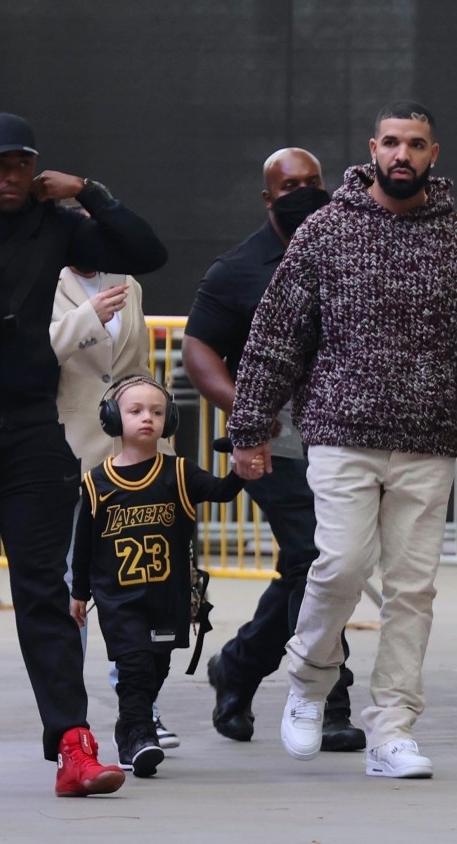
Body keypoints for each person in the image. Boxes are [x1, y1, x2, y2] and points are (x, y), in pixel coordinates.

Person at [227, 101, 457, 779]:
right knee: (339, 567)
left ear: (433, 154)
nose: (402, 155)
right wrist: (250, 427)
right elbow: (277, 335)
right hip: (339, 432)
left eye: (415, 144)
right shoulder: (325, 232)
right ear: (372, 148)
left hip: (429, 441)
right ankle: (308, 680)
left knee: (413, 590)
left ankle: (393, 728)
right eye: (392, 142)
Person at [0, 113, 168, 796]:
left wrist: (88, 191)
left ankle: (74, 744)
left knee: (45, 591)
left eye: (21, 164)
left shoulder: (56, 221)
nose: (10, 177)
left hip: (32, 433)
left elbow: (145, 250)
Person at [182, 147, 365, 752]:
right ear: (268, 197)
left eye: (314, 182)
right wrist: (248, 413)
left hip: (346, 436)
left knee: (311, 566)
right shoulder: (237, 269)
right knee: (321, 557)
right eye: (291, 185)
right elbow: (199, 352)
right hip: (274, 443)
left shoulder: (352, 246)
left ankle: (238, 665)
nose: (305, 192)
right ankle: (330, 700)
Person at [69, 375, 263, 776]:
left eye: (157, 412)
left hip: (166, 596)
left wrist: (241, 467)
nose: (147, 419)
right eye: (135, 411)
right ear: (110, 418)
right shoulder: (96, 483)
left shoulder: (179, 473)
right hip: (118, 599)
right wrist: (78, 593)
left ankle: (128, 730)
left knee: (156, 667)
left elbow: (223, 491)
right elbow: (84, 545)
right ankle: (141, 735)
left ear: (169, 419)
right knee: (135, 665)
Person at [51, 251, 179, 750]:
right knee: (72, 584)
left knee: (141, 579)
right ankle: (69, 716)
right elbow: (43, 350)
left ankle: (139, 708)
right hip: (69, 446)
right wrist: (90, 317)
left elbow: (136, 364)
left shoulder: (128, 281)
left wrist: (155, 434)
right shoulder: (48, 279)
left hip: (133, 452)